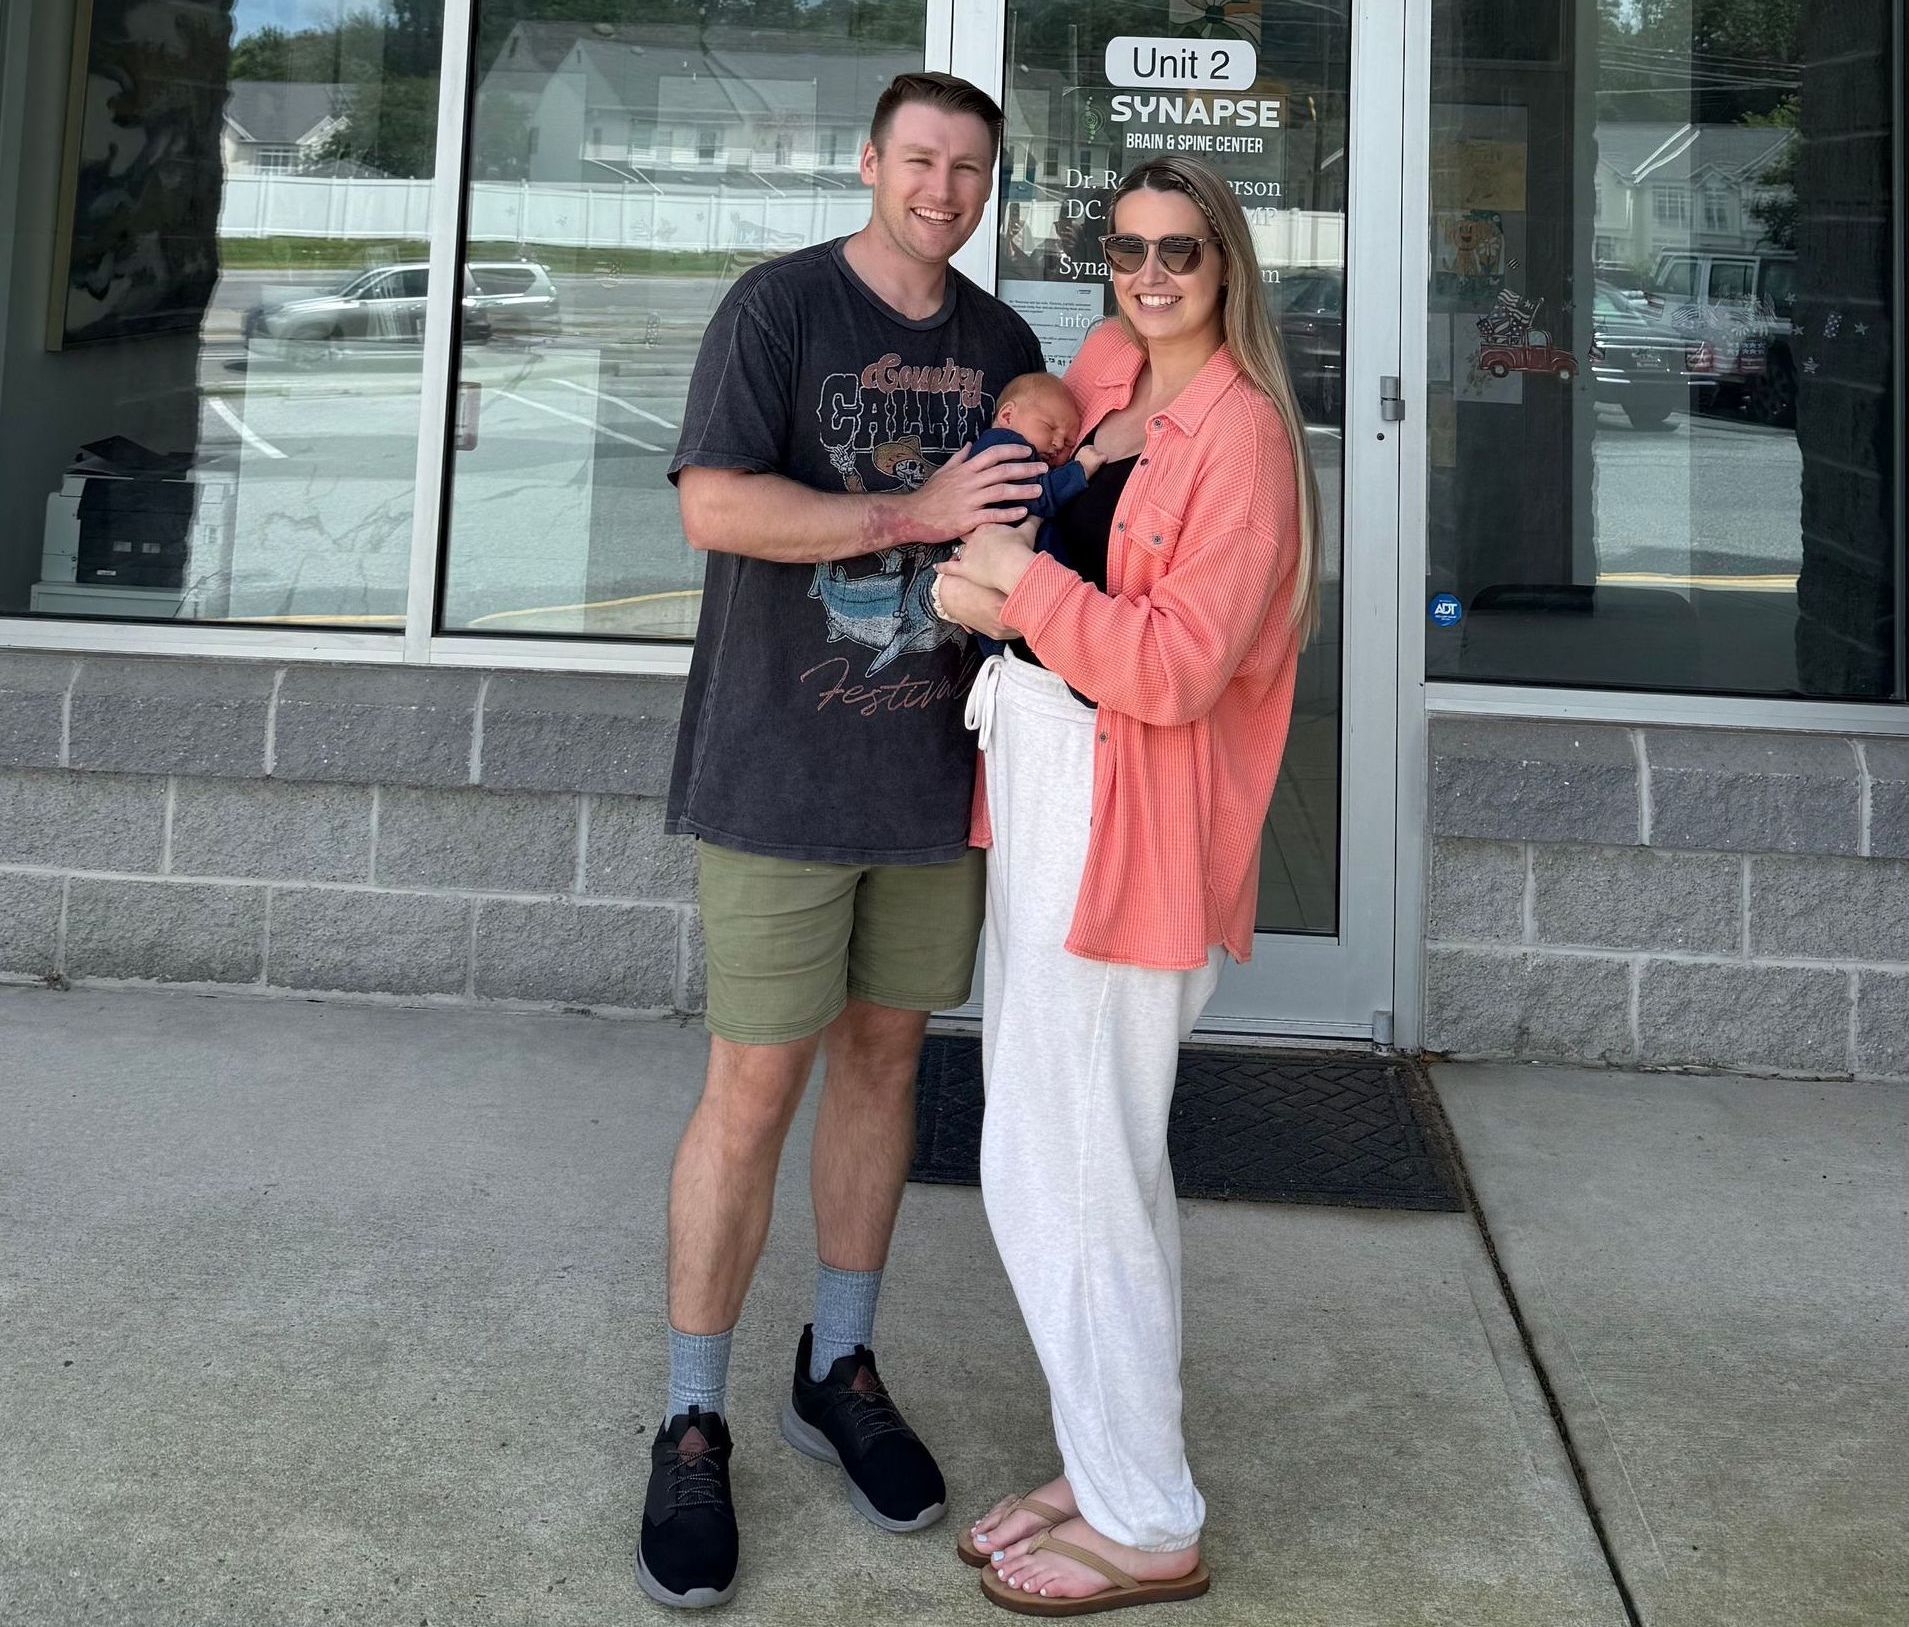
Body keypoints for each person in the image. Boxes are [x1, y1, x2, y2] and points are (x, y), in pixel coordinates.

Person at [637, 72, 1048, 1610]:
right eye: (920, 160)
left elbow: (1037, 473)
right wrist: (908, 510)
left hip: (932, 785)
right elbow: (716, 509)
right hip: (778, 777)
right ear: (871, 162)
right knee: (753, 1085)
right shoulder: (778, 309)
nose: (944, 188)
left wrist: (1057, 424)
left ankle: (841, 1362)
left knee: (887, 1063)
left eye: (971, 168)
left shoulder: (999, 342)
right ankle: (692, 1415)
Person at [933, 154, 1323, 1616]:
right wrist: (1032, 411)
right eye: (1127, 250)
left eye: (1182, 253)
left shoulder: (1248, 441)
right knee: (1099, 1162)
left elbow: (1174, 665)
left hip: (1128, 821)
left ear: (1228, 266)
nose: (1151, 276)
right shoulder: (1115, 365)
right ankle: (1111, 1466)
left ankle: (1149, 1518)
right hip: (1046, 789)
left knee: (1057, 1170)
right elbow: (1049, 403)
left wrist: (1010, 592)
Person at [952, 373, 1106, 680]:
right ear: (1008, 415)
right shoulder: (1003, 445)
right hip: (1003, 574)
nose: (1059, 442)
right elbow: (1035, 495)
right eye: (1050, 428)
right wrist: (1079, 470)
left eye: (1069, 442)